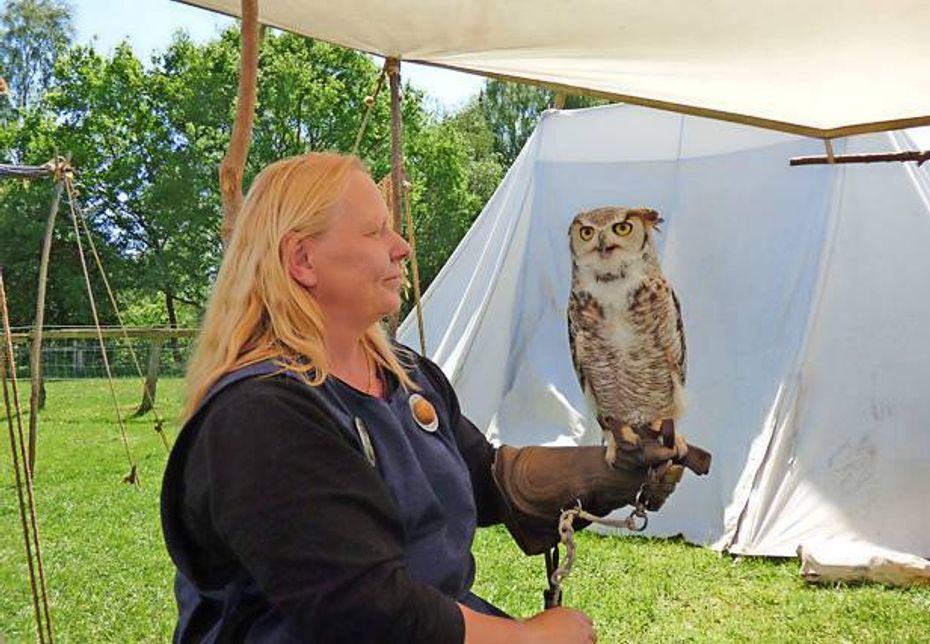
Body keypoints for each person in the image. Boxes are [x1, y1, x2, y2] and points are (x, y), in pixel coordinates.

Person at [160, 151, 686, 643]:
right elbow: (364, 610)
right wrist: (525, 638)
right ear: (302, 260)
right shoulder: (260, 416)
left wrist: (605, 470)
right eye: (376, 231)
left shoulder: (405, 372)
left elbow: (483, 477)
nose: (401, 246)